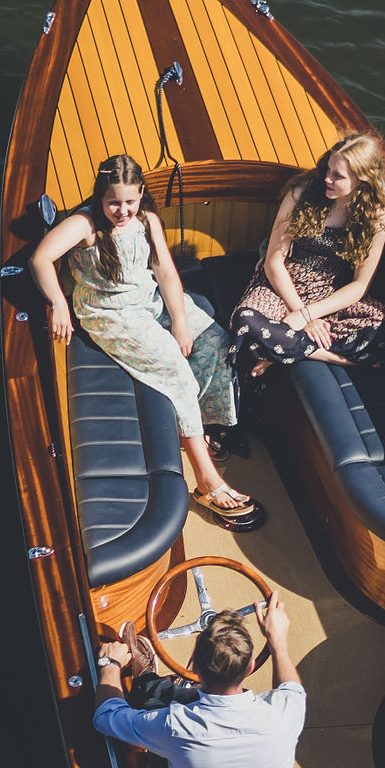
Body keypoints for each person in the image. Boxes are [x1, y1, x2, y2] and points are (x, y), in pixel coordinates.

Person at [27, 153, 258, 528]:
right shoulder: (84, 223)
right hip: (111, 314)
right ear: (100, 198)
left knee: (215, 341)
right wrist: (58, 303)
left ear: (141, 195)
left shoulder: (147, 218)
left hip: (148, 299)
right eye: (113, 202)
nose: (122, 210)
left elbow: (164, 270)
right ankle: (206, 481)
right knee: (178, 374)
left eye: (130, 201)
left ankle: (204, 422)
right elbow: (41, 258)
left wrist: (181, 322)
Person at [228, 132, 385, 380]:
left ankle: (280, 350)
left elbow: (359, 285)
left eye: (338, 175)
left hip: (331, 294)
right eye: (328, 169)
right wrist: (301, 313)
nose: (327, 178)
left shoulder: (377, 218)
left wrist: (308, 316)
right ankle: (335, 358)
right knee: (245, 321)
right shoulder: (301, 195)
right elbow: (273, 262)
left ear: (362, 180)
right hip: (282, 286)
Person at [91, 587, 302, 768]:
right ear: (251, 667)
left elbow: (105, 717)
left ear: (195, 669)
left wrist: (111, 664)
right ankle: (147, 679)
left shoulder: (176, 725)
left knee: (156, 703)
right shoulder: (287, 711)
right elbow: (290, 688)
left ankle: (146, 680)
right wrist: (278, 641)